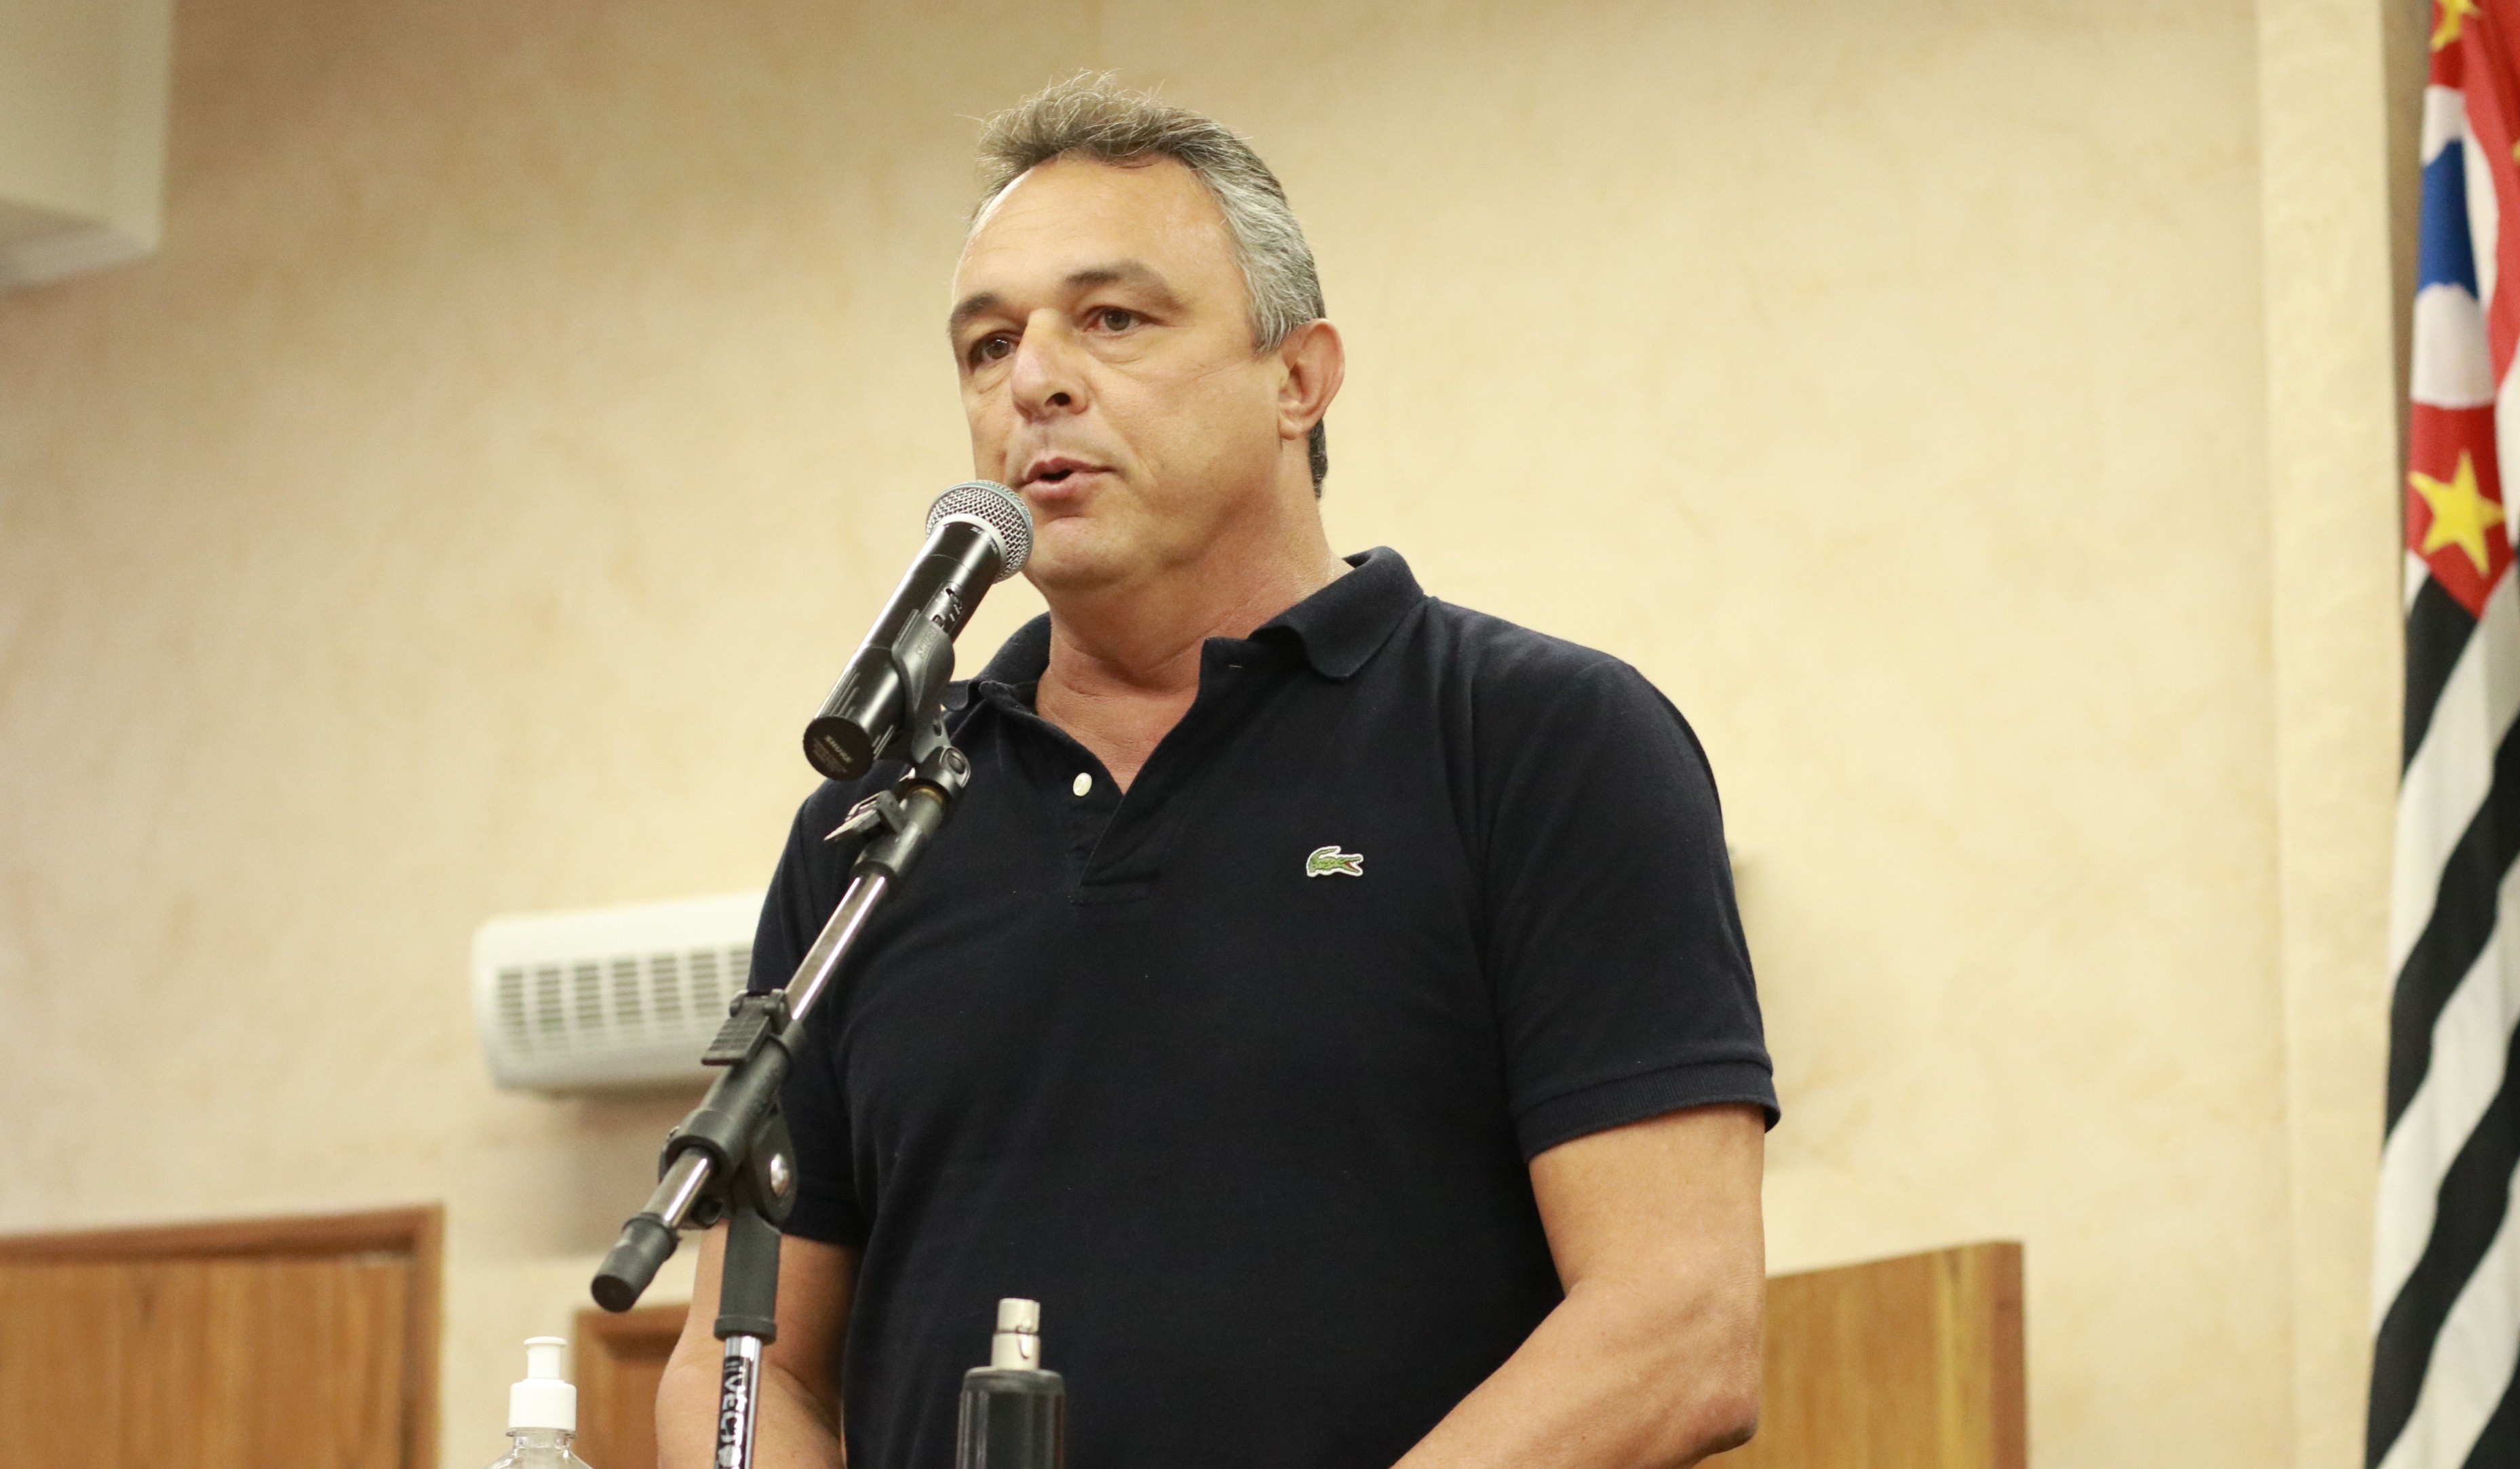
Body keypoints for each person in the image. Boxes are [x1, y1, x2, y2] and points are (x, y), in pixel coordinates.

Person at [657, 75, 1777, 1469]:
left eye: (1112, 320)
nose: (1034, 381)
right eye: (988, 345)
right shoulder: (872, 827)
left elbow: (1677, 1324)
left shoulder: (1541, 741)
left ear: (1298, 379)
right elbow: (742, 1361)